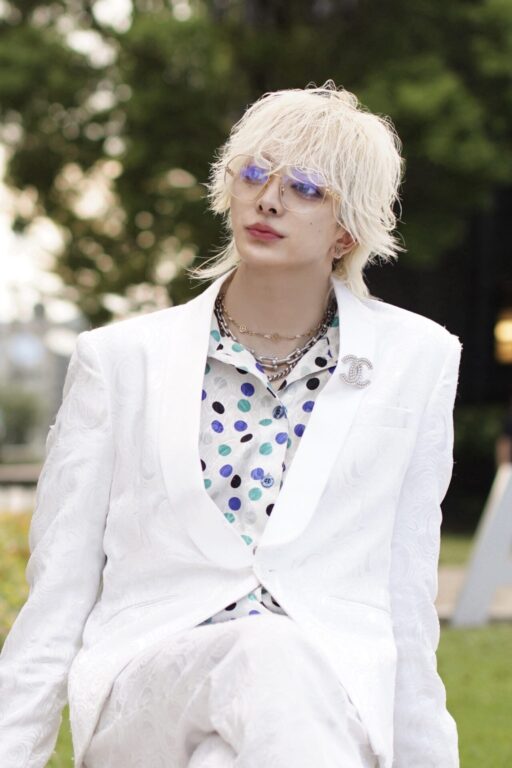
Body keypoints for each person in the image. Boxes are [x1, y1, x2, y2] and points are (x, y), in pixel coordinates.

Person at [0, 81, 463, 768]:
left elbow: (406, 595)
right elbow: (59, 592)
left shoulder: (418, 360)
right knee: (264, 649)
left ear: (347, 230)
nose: (268, 199)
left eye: (305, 188)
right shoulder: (122, 360)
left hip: (329, 698)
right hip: (153, 687)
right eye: (253, 174)